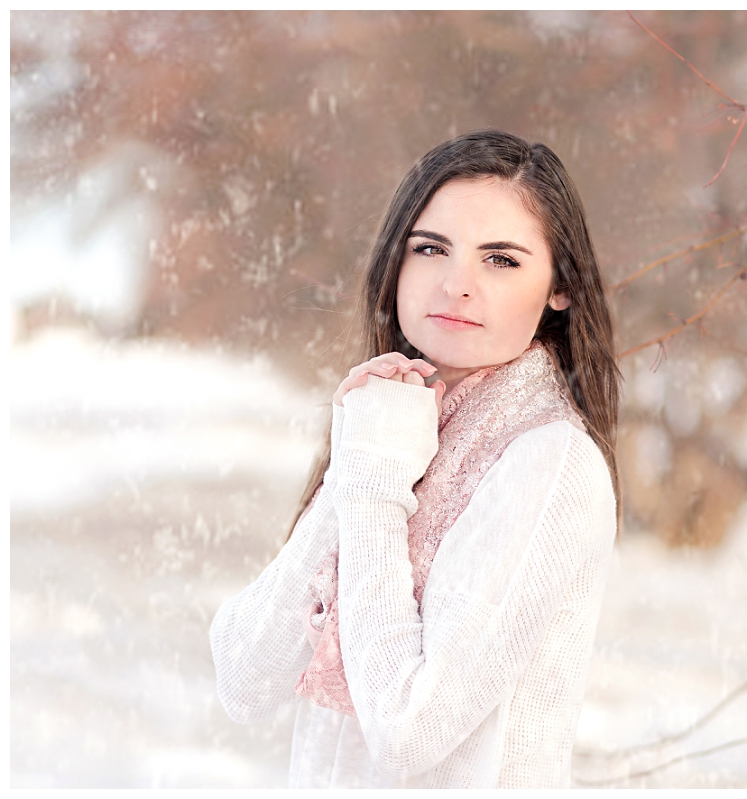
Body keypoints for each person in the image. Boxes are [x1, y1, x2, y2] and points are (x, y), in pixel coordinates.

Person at [209, 129, 620, 788]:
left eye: (501, 260)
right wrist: (359, 464)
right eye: (431, 249)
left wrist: (373, 489)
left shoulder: (549, 464)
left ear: (560, 287)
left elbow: (407, 732)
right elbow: (245, 677)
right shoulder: (396, 427)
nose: (456, 284)